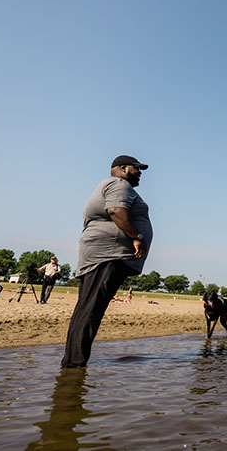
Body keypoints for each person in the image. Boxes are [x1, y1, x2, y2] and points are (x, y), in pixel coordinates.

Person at [61, 155, 153, 368]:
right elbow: (116, 211)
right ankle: (74, 366)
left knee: (87, 309)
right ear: (122, 168)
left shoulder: (113, 185)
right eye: (137, 168)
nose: (140, 173)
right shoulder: (118, 184)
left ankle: (72, 363)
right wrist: (137, 237)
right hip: (107, 256)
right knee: (91, 310)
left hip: (103, 255)